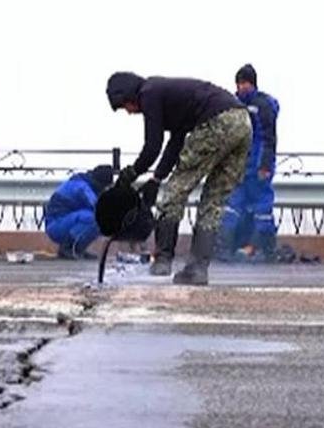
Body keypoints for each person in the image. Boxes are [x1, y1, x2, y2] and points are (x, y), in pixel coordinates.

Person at [106, 72, 252, 285]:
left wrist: (131, 174)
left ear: (128, 94)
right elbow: (175, 142)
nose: (128, 112)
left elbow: (152, 146)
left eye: (124, 106)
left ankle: (163, 260)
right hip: (242, 122)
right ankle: (198, 270)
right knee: (213, 201)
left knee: (173, 193)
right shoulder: (169, 96)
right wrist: (156, 179)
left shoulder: (149, 93)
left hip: (217, 122)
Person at [218, 64, 281, 262]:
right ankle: (226, 247)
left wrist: (265, 165)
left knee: (262, 207)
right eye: (239, 83)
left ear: (252, 83)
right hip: (239, 166)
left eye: (245, 83)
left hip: (258, 165)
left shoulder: (262, 105)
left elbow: (269, 138)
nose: (241, 87)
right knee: (233, 205)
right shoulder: (234, 104)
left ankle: (264, 248)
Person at [44, 165, 115, 259]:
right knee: (93, 218)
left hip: (65, 222)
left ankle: (78, 249)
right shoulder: (82, 187)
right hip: (56, 225)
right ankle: (66, 248)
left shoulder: (87, 183)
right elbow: (97, 207)